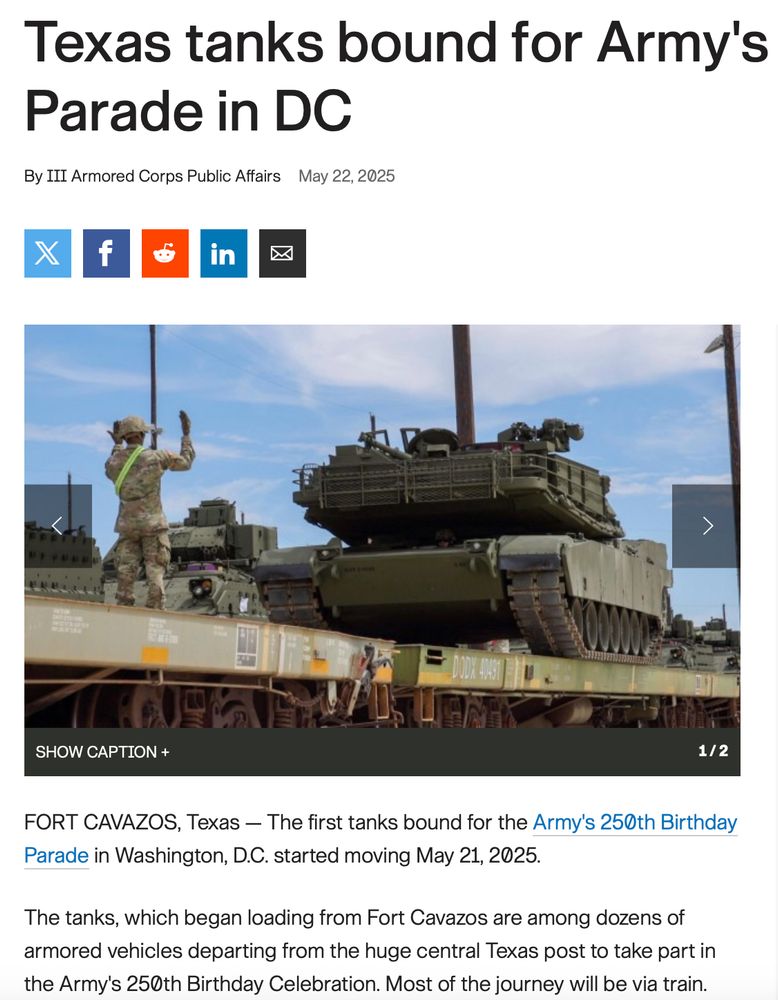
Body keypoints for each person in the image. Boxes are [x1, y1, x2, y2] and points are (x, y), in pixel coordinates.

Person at [105, 411, 195, 610]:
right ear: (142, 435)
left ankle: (125, 610)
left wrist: (117, 445)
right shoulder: (157, 457)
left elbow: (111, 467)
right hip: (152, 525)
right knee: (155, 571)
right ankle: (154, 611)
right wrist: (186, 435)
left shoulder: (114, 462)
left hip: (127, 527)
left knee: (125, 573)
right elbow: (186, 462)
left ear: (124, 436)